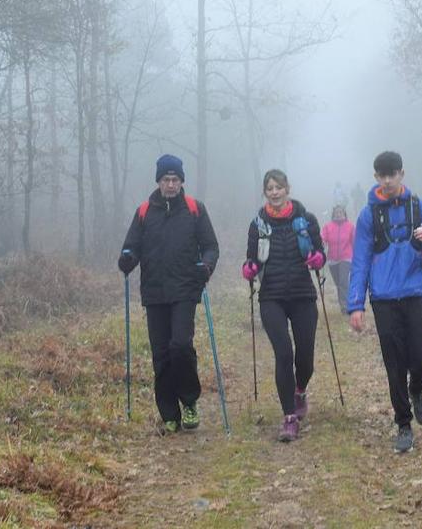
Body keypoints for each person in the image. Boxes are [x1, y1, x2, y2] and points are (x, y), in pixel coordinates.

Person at [347, 151, 422, 454]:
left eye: (393, 174)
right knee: (395, 363)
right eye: (382, 175)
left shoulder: (419, 208)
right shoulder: (368, 216)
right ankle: (403, 424)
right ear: (376, 177)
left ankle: (417, 389)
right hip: (384, 298)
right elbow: (360, 261)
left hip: (415, 293)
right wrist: (356, 304)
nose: (388, 180)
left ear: (402, 173)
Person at [117, 154, 219, 434]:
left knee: (181, 346)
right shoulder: (144, 212)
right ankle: (169, 413)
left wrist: (206, 266)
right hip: (154, 292)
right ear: (159, 182)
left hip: (186, 289)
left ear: (181, 181)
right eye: (166, 180)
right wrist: (127, 258)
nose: (171, 185)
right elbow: (131, 247)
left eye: (175, 180)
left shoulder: (194, 209)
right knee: (161, 355)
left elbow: (211, 246)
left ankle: (189, 402)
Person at [240, 169, 325, 442]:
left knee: (305, 359)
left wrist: (317, 260)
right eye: (269, 188)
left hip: (302, 295)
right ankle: (289, 417)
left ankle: (300, 389)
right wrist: (249, 268)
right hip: (271, 297)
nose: (274, 192)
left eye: (278, 187)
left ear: (287, 188)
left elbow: (321, 253)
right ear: (265, 192)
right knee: (284, 354)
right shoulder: (257, 224)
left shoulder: (307, 219)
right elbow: (251, 259)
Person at [321, 204, 354, 315]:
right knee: (339, 284)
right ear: (333, 214)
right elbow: (323, 239)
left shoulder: (350, 226)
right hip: (332, 260)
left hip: (346, 258)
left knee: (343, 282)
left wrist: (358, 258)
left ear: (344, 214)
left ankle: (346, 307)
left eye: (340, 212)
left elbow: (355, 242)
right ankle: (345, 304)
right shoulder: (328, 226)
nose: (338, 214)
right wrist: (321, 244)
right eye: (336, 213)